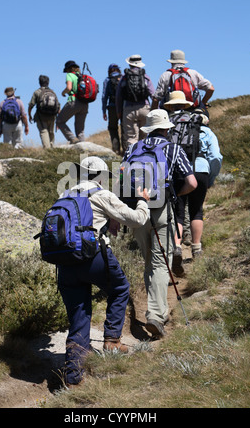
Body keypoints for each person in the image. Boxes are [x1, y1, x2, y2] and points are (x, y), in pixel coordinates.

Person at [57, 156, 150, 387]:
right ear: (100, 177)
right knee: (120, 289)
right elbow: (137, 219)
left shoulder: (65, 195)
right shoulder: (101, 194)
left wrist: (107, 220)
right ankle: (111, 341)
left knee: (79, 313)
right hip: (93, 257)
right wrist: (142, 200)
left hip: (65, 263)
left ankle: (73, 377)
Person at [124, 109, 197, 338]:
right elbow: (192, 183)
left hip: (137, 209)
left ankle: (154, 309)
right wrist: (175, 195)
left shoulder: (133, 148)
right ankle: (156, 314)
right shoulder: (173, 149)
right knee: (160, 260)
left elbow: (122, 176)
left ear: (147, 128)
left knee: (149, 261)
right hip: (161, 210)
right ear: (166, 128)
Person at [163, 92, 222, 270]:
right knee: (197, 210)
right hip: (201, 170)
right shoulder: (201, 126)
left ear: (170, 106)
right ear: (187, 105)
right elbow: (216, 157)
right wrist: (210, 178)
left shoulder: (168, 127)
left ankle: (177, 248)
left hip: (178, 172)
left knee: (178, 212)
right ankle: (197, 249)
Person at [116, 54, 155, 152]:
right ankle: (145, 159)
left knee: (131, 138)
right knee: (145, 136)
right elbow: (153, 95)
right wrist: (153, 110)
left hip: (129, 110)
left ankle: (132, 159)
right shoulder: (146, 77)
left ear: (130, 64)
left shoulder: (124, 78)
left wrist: (119, 111)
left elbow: (118, 97)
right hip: (144, 108)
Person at [56, 60, 88, 144]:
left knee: (59, 121)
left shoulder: (69, 75)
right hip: (84, 103)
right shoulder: (81, 76)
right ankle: (83, 154)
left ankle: (72, 138)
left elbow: (69, 88)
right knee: (80, 130)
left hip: (74, 102)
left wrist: (63, 92)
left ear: (68, 69)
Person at [28, 75, 60, 149]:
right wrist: (59, 118)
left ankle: (47, 149)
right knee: (51, 132)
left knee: (43, 132)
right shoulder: (53, 92)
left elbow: (31, 105)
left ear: (39, 82)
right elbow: (58, 106)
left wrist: (29, 115)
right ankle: (52, 148)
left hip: (40, 116)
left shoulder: (37, 92)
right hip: (52, 116)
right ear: (48, 82)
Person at [102, 64, 122, 154]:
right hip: (123, 106)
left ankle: (116, 149)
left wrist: (104, 111)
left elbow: (104, 96)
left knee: (113, 128)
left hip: (112, 106)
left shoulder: (107, 80)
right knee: (125, 128)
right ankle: (126, 150)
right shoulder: (123, 77)